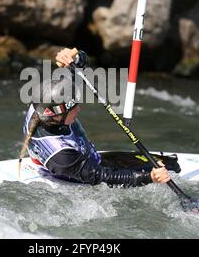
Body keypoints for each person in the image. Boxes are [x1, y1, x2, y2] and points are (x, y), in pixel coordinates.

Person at [19, 48, 174, 187]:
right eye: (73, 108)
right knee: (170, 168)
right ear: (58, 116)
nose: (79, 109)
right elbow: (101, 176)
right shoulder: (61, 156)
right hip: (81, 176)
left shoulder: (42, 105)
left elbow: (81, 66)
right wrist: (148, 177)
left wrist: (74, 56)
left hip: (89, 160)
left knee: (169, 164)